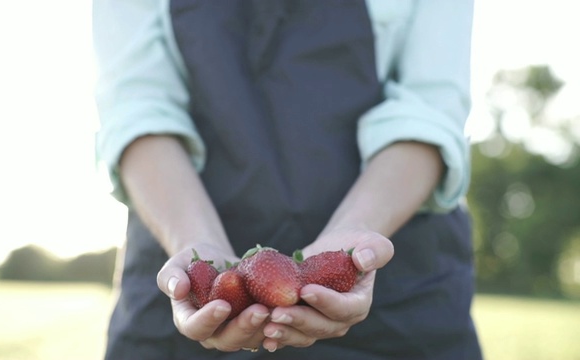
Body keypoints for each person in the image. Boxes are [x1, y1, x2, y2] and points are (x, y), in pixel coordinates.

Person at [92, 0, 483, 358]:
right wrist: (195, 242)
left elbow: (430, 109)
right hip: (180, 259)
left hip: (398, 289)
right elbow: (137, 108)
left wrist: (355, 235)